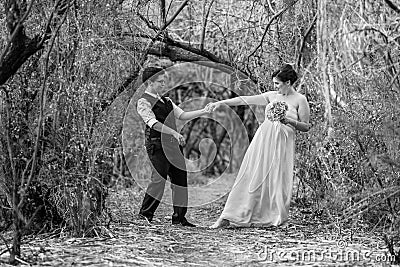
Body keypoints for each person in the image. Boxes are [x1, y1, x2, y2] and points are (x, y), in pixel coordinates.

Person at [207, 64, 311, 228]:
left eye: (277, 83)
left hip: (283, 143)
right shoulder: (271, 96)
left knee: (278, 177)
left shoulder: (300, 100)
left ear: (288, 82)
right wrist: (221, 102)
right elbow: (245, 100)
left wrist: (288, 120)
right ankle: (229, 215)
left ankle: (273, 216)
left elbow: (306, 126)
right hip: (264, 139)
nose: (274, 87)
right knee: (252, 173)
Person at [136, 67, 209, 227]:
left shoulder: (167, 101)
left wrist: (203, 111)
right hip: (157, 145)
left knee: (180, 181)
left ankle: (179, 218)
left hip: (174, 147)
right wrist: (175, 133)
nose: (164, 84)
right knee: (158, 180)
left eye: (164, 81)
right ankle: (145, 215)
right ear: (150, 82)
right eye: (160, 82)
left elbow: (182, 115)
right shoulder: (143, 102)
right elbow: (153, 123)